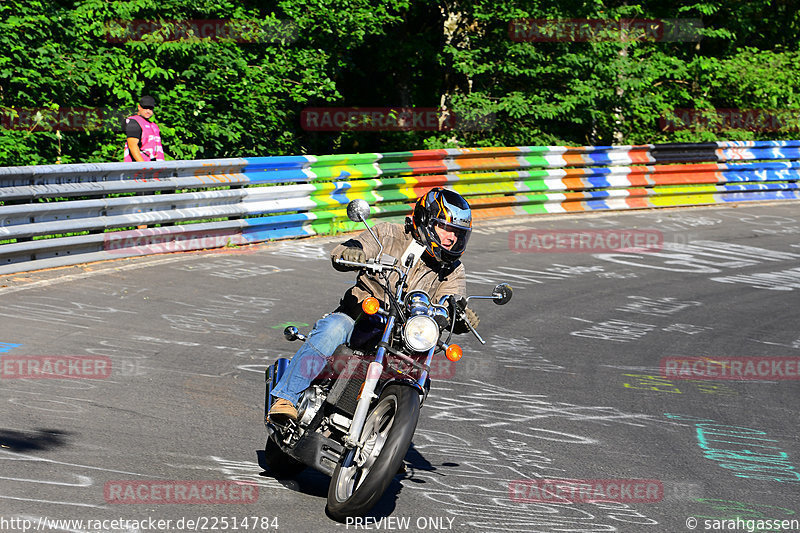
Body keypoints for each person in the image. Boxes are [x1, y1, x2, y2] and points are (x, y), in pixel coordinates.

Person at [269, 187, 480, 423]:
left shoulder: (452, 269)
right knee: (332, 329)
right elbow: (349, 248)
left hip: (403, 337)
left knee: (421, 375)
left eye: (458, 233)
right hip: (360, 315)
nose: (452, 238)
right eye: (446, 228)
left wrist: (459, 316)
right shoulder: (389, 234)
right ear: (426, 220)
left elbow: (452, 300)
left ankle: (385, 442)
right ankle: (286, 397)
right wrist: (352, 253)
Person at [123, 95, 164, 162]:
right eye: (145, 108)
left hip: (154, 166)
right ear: (139, 107)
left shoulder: (153, 125)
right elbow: (133, 146)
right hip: (139, 167)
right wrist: (143, 165)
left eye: (150, 109)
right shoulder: (134, 123)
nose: (148, 111)